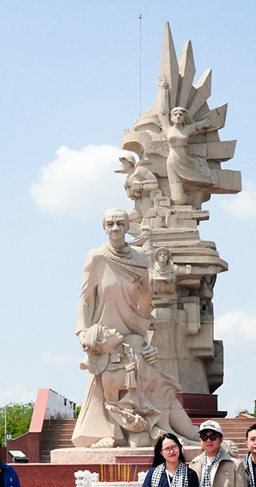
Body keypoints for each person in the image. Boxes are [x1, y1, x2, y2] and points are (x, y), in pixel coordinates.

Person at [72, 209, 199, 448]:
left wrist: (150, 341)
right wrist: (83, 332)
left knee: (154, 379)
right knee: (107, 381)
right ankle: (110, 433)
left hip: (133, 331)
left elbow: (148, 301)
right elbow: (85, 298)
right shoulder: (96, 257)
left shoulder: (141, 257)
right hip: (105, 334)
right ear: (104, 227)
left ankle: (164, 430)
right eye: (110, 223)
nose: (115, 228)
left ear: (128, 226)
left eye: (120, 223)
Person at [156, 74, 214, 205]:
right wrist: (162, 90)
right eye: (175, 114)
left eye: (180, 114)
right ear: (171, 117)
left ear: (184, 118)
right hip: (172, 160)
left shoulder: (187, 129)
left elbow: (202, 124)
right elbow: (162, 112)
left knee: (198, 180)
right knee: (177, 198)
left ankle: (196, 197)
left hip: (186, 160)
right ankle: (189, 200)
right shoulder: (168, 128)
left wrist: (210, 121)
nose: (177, 116)